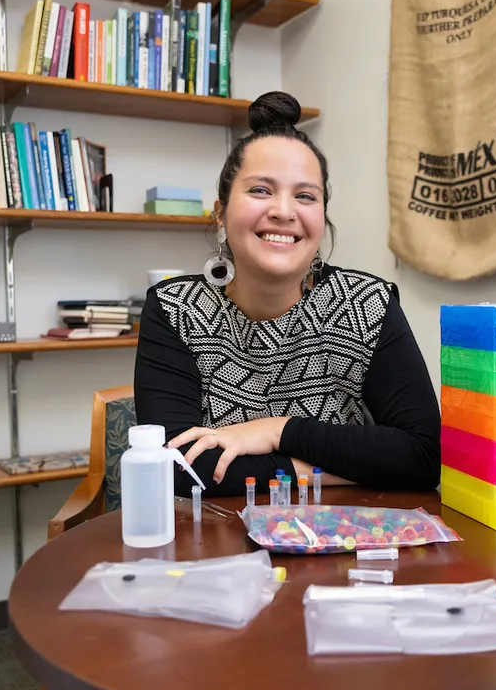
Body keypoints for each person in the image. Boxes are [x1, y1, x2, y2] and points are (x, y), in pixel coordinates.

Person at [133, 91, 440, 497]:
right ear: (221, 213)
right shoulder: (177, 309)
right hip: (216, 543)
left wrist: (277, 431)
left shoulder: (367, 304)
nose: (283, 210)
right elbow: (178, 469)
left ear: (322, 217)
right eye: (260, 190)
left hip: (346, 541)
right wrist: (338, 465)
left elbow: (421, 458)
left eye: (305, 195)